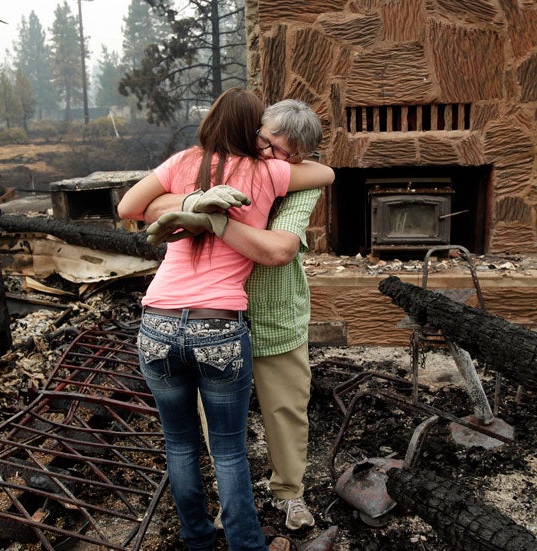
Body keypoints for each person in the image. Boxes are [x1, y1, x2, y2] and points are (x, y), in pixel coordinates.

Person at [116, 88, 334, 551]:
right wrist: (197, 199)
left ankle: (283, 496)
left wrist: (211, 217)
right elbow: (145, 207)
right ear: (254, 129)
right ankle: (239, 529)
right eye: (268, 140)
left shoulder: (286, 176)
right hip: (219, 319)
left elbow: (281, 247)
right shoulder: (214, 168)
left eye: (286, 153)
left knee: (281, 410)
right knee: (225, 443)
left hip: (261, 312)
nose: (272, 152)